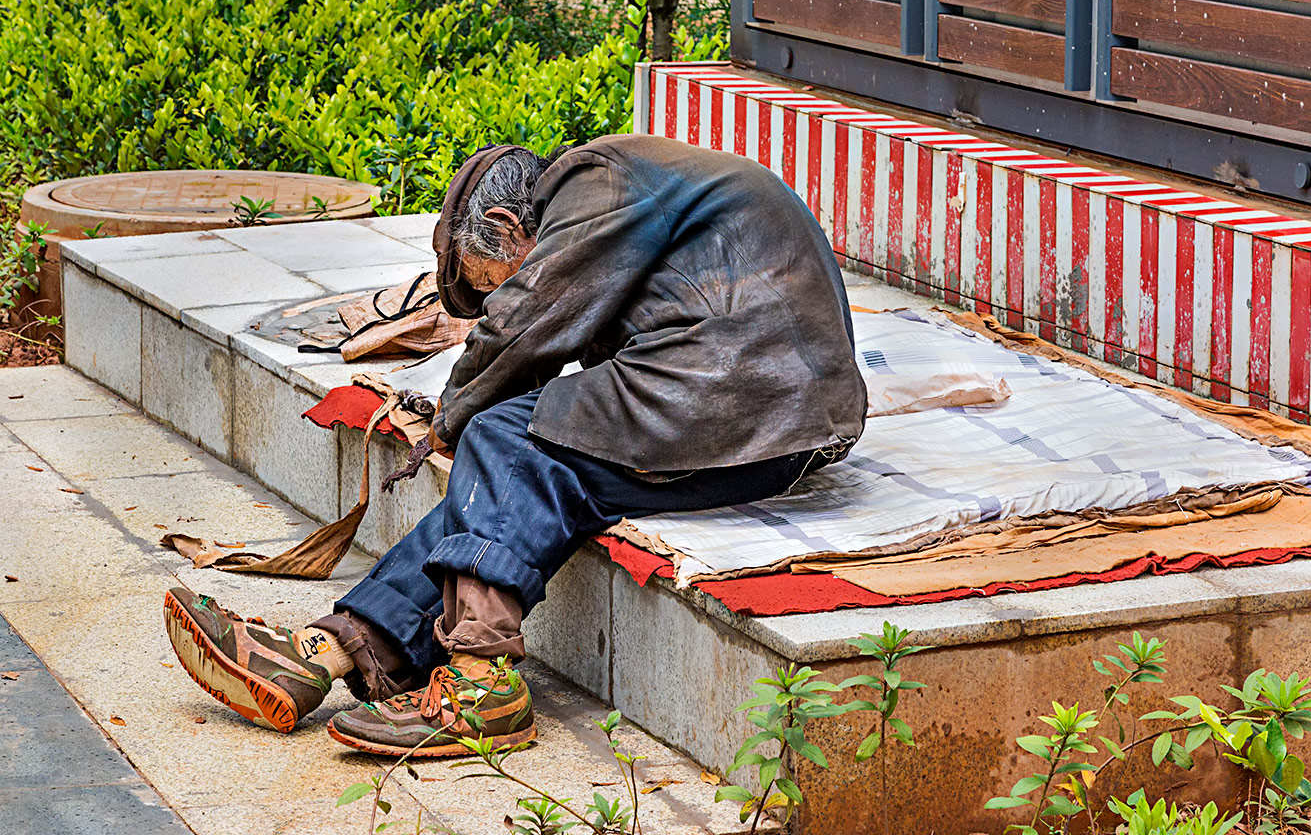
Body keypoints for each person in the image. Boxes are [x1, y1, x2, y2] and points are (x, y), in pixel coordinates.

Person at [162, 134, 867, 757]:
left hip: (752, 396)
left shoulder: (595, 181)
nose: (501, 299)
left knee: (504, 435)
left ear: (506, 226)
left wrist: (453, 415)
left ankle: (480, 684)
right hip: (765, 413)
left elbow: (525, 330)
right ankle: (330, 652)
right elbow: (544, 346)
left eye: (495, 285)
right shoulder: (617, 191)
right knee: (523, 479)